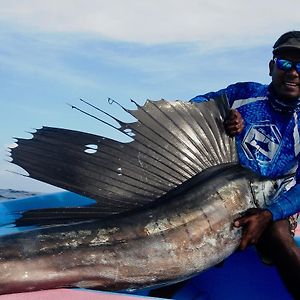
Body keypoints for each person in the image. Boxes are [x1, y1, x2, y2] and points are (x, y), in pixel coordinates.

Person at [191, 30, 300, 299]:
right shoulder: (243, 94)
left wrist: (269, 214)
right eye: (285, 63)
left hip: (277, 203)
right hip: (225, 197)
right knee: (189, 231)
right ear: (271, 67)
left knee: (276, 233)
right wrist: (219, 117)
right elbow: (192, 107)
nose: (293, 72)